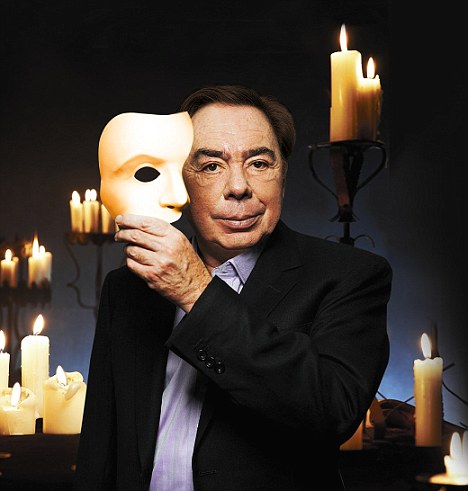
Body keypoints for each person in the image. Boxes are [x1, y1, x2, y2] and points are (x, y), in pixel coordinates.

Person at [73, 84, 392, 491]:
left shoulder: (351, 275)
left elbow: (332, 412)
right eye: (211, 166)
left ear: (283, 175)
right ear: (181, 180)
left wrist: (195, 291)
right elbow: (100, 450)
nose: (238, 186)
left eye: (259, 163)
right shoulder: (127, 288)